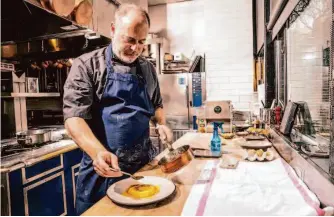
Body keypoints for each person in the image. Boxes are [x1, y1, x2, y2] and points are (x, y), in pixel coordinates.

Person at [63, 4, 173, 214]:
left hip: (143, 169)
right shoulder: (86, 66)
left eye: (142, 42)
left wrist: (161, 123)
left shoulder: (147, 69)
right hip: (102, 172)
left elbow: (157, 104)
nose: (136, 48)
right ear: (113, 30)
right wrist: (98, 152)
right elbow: (74, 119)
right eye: (130, 40)